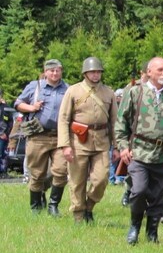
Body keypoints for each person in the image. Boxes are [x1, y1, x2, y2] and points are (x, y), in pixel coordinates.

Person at [115, 57, 163, 245]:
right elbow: (120, 123)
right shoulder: (135, 92)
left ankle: (152, 230)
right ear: (149, 72)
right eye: (160, 70)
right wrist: (123, 147)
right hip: (139, 152)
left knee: (159, 195)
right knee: (139, 190)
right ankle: (135, 226)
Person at [57, 57, 118, 223]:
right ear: (85, 73)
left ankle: (89, 206)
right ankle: (78, 214)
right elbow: (63, 119)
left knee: (101, 179)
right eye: (93, 71)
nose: (96, 74)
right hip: (78, 141)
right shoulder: (73, 91)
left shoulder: (108, 92)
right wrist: (65, 145)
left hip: (102, 141)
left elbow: (114, 122)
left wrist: (117, 146)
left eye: (98, 71)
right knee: (77, 181)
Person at [15, 59, 69, 216]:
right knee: (37, 173)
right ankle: (35, 206)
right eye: (51, 70)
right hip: (38, 136)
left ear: (61, 71)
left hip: (60, 136)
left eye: (57, 70)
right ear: (45, 72)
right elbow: (18, 103)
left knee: (60, 171)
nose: (54, 73)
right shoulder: (35, 86)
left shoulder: (68, 88)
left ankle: (53, 205)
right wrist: (32, 107)